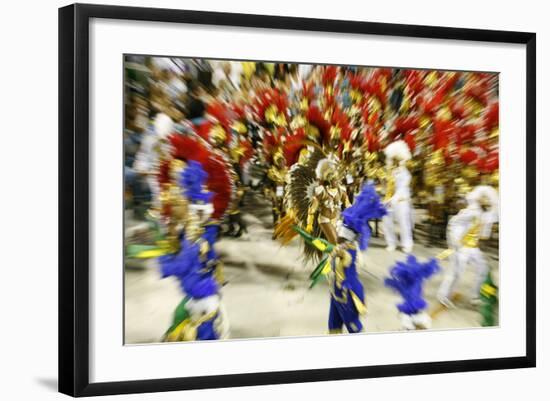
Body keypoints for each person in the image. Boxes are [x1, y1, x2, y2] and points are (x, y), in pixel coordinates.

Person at [437, 185, 499, 308]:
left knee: (483, 269)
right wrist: (454, 242)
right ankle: (443, 296)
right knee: (456, 272)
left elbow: (486, 228)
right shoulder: (471, 211)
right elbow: (453, 223)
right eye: (485, 199)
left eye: (489, 200)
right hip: (461, 246)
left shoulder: (486, 214)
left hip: (473, 248)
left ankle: (475, 296)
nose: (487, 202)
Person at [381, 140, 414, 253]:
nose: (394, 162)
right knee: (387, 222)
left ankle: (407, 244)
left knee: (403, 223)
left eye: (397, 160)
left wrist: (393, 199)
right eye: (393, 159)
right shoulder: (390, 172)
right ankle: (391, 243)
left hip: (400, 201)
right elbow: (386, 186)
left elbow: (401, 189)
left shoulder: (405, 174)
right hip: (388, 201)